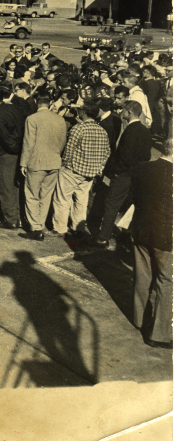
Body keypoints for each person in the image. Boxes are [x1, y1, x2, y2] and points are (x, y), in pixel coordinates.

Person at [129, 140, 173, 349]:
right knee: (166, 282)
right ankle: (160, 333)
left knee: (143, 275)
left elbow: (135, 199)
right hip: (166, 236)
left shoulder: (143, 168)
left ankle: (139, 319)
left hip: (141, 229)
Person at [90, 101, 152, 248]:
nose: (121, 112)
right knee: (130, 206)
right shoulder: (144, 130)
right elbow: (147, 156)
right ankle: (127, 236)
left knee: (112, 204)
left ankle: (103, 237)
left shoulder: (130, 130)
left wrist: (116, 172)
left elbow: (125, 156)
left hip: (124, 174)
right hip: (137, 174)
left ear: (129, 112)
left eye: (123, 110)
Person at [50, 104, 110, 236]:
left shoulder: (78, 128)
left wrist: (64, 165)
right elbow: (107, 152)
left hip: (72, 170)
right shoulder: (102, 130)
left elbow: (68, 151)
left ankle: (60, 228)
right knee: (81, 200)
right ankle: (78, 228)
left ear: (83, 113)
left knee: (62, 199)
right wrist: (98, 167)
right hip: (90, 173)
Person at [19, 92, 67, 240]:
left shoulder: (32, 119)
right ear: (49, 102)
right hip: (54, 162)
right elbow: (62, 142)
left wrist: (23, 163)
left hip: (36, 162)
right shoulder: (60, 119)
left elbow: (28, 143)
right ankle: (41, 224)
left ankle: (36, 228)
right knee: (46, 196)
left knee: (32, 195)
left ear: (37, 102)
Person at [0, 85, 24, 230]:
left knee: (5, 188)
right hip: (18, 153)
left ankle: (11, 220)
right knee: (14, 186)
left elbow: (5, 139)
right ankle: (17, 216)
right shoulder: (13, 108)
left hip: (5, 155)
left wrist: (13, 149)